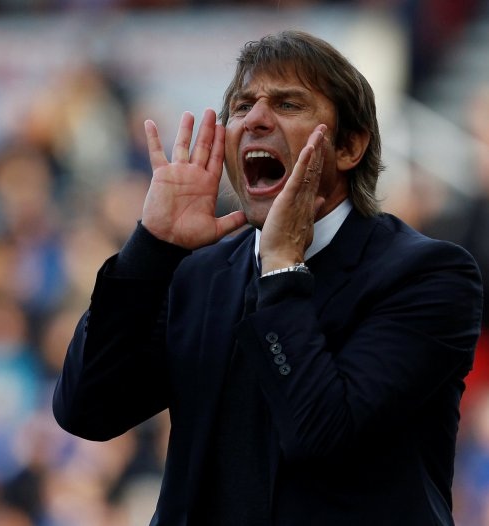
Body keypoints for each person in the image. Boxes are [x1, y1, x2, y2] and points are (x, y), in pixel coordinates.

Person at [53, 30, 483, 525]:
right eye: (242, 106)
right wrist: (151, 249)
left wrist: (282, 269)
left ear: (349, 146)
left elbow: (320, 433)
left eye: (288, 103)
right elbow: (86, 409)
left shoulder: (428, 275)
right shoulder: (199, 273)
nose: (255, 119)